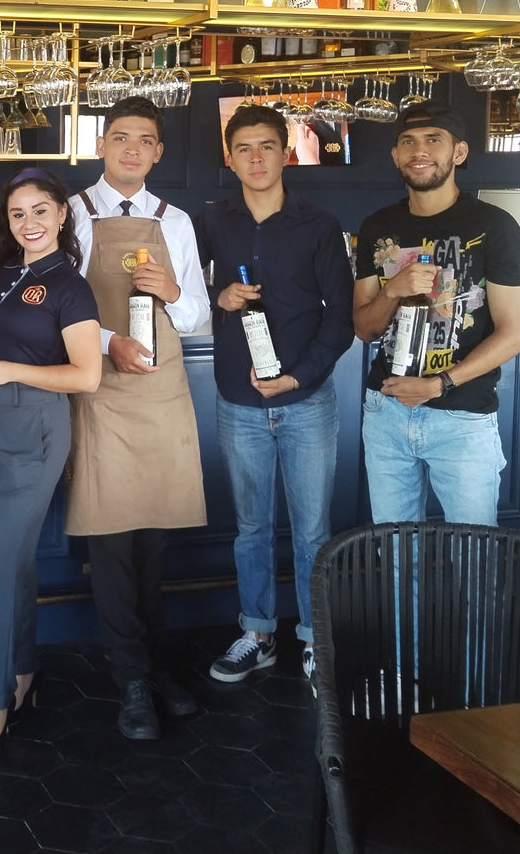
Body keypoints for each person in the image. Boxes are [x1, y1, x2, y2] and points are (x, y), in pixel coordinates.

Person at [194, 104, 356, 683]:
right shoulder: (211, 222)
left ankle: (314, 638)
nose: (256, 158)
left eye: (266, 146)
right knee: (251, 529)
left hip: (306, 401)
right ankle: (257, 633)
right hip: (238, 402)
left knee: (313, 530)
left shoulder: (319, 225)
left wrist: (297, 376)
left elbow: (341, 319)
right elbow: (181, 293)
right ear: (229, 157)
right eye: (244, 148)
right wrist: (219, 298)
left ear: (286, 152)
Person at [66, 96, 211, 739]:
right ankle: (130, 677)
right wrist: (108, 343)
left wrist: (172, 292)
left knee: (154, 538)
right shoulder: (72, 212)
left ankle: (154, 669)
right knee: (111, 539)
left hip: (160, 386)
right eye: (120, 137)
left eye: (144, 140)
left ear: (158, 152)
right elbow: (58, 310)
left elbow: (196, 314)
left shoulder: (175, 221)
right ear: (101, 144)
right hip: (100, 386)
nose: (131, 149)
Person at [0, 168, 102, 760]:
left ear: (62, 214)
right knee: (13, 560)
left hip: (36, 430)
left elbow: (87, 376)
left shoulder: (70, 286)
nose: (29, 223)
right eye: (18, 214)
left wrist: (12, 371)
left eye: (40, 211)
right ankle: (23, 672)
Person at [353, 101, 520, 526]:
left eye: (434, 139)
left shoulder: (494, 226)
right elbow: (364, 328)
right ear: (395, 155)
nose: (419, 150)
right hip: (387, 410)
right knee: (395, 547)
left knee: (474, 550)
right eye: (408, 141)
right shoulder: (377, 227)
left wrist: (439, 384)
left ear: (458, 152)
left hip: (461, 414)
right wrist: (393, 290)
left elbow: (512, 333)